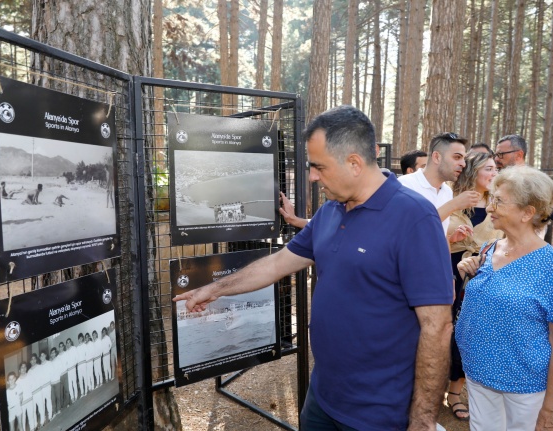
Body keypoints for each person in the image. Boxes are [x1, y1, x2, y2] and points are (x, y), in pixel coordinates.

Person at [174, 105, 454, 430]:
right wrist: (213, 288)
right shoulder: (330, 212)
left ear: (354, 163)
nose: (312, 176)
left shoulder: (414, 217)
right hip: (323, 397)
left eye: (318, 166)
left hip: (379, 411)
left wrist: (422, 420)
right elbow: (278, 263)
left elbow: (437, 327)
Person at [455, 165, 553, 430]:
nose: (489, 207)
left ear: (527, 212)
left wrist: (552, 410)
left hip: (524, 388)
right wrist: (468, 267)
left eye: (499, 201)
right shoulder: (489, 248)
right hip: (477, 376)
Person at [444, 152, 502, 421]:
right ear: (473, 171)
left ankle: (455, 392)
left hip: (481, 274)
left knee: (469, 332)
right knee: (443, 330)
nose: (494, 173)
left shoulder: (498, 202)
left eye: (495, 168)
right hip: (446, 269)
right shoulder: (450, 197)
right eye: (488, 168)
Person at [398, 132, 480, 238]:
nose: (463, 164)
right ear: (436, 157)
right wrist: (454, 204)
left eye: (463, 159)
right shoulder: (405, 185)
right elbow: (410, 229)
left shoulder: (446, 191)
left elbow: (440, 232)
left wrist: (450, 240)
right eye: (457, 157)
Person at [16, 362, 35, 431]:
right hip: (22, 404)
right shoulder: (17, 382)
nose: (23, 369)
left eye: (24, 367)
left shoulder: (30, 376)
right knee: (23, 419)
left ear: (26, 368)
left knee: (31, 416)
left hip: (30, 400)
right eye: (22, 367)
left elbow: (33, 387)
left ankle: (32, 429)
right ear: (19, 370)